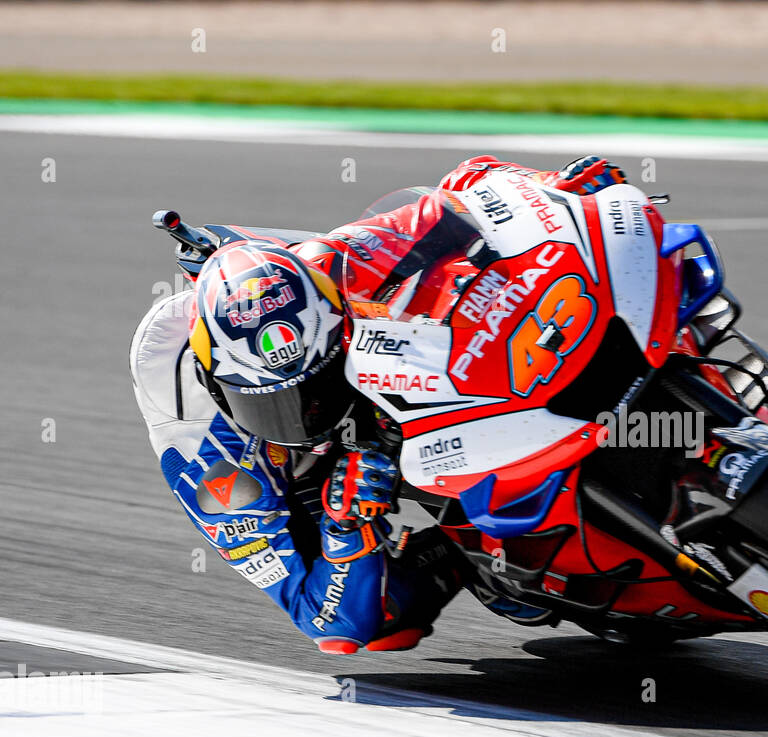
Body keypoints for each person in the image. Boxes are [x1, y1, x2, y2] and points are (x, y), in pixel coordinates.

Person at [128, 155, 627, 654]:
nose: (305, 415)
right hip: (302, 477)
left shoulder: (335, 263)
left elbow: (463, 190)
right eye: (279, 405)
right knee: (375, 624)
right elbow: (323, 619)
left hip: (353, 344)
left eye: (313, 390)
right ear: (218, 384)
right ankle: (462, 556)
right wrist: (345, 526)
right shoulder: (211, 463)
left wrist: (553, 188)